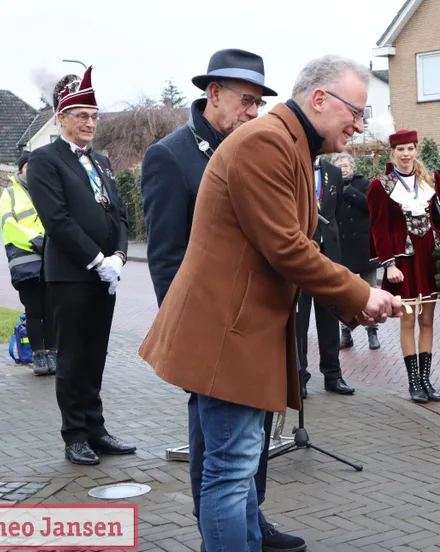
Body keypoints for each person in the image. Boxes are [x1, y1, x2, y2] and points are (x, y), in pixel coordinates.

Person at [139, 55, 402, 552]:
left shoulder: (287, 142)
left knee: (234, 470)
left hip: (241, 335)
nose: (359, 124)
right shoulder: (267, 142)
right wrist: (360, 292)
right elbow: (286, 248)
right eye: (355, 111)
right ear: (319, 99)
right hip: (228, 338)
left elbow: (290, 248)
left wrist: (355, 303)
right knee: (229, 472)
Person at [140, 49, 305, 552]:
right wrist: (191, 339)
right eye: (246, 101)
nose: (253, 112)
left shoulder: (254, 147)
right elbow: (166, 257)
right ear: (213, 94)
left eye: (259, 103)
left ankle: (250, 517)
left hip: (250, 326)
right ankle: (217, 525)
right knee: (217, 448)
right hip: (208, 331)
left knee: (249, 436)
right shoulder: (171, 156)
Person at [27, 66, 134, 465]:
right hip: (71, 275)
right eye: (82, 116)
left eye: (94, 117)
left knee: (95, 355)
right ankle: (74, 435)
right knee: (72, 357)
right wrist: (96, 259)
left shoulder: (101, 161)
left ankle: (96, 429)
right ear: (62, 118)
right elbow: (57, 220)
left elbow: (119, 215)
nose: (90, 123)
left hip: (106, 276)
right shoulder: (45, 160)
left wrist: (118, 257)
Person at [367, 126, 440, 403]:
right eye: (401, 149)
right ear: (393, 153)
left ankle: (426, 379)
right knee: (408, 320)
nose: (406, 154)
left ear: (416, 150)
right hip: (403, 261)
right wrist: (389, 264)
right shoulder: (381, 186)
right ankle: (414, 382)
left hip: (429, 258)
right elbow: (379, 229)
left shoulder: (428, 180)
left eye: (410, 149)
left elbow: (436, 219)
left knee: (428, 320)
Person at [295, 157, 355, 399]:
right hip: (301, 254)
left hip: (329, 253)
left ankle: (333, 375)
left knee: (330, 317)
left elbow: (335, 210)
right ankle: (299, 377)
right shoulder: (294, 164)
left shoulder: (333, 171)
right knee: (299, 321)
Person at [1, 151, 55, 376]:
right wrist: (37, 241)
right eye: (28, 166)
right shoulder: (10, 193)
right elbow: (8, 224)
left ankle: (52, 352)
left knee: (51, 309)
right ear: (21, 169)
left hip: (50, 258)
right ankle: (38, 355)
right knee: (34, 310)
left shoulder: (48, 189)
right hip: (27, 260)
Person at [331, 152, 381, 351]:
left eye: (346, 165)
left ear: (353, 167)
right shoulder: (331, 186)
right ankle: (346, 333)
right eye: (339, 166)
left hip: (365, 247)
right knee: (345, 293)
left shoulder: (364, 183)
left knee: (370, 291)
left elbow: (370, 206)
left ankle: (372, 331)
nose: (343, 169)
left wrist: (349, 190)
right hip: (343, 249)